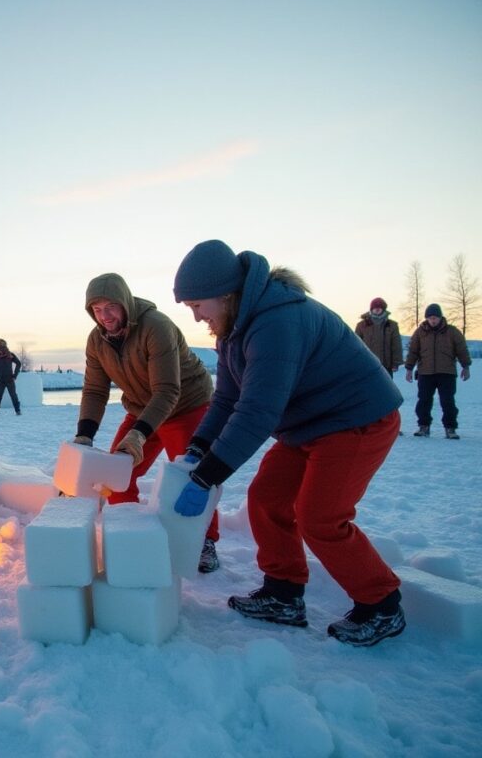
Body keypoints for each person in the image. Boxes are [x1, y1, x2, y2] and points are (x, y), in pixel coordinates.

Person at [172, 239, 405, 647]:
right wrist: (198, 447)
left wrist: (207, 475)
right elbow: (227, 398)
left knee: (320, 517)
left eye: (197, 306)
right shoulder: (232, 332)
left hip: (356, 418)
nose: (196, 318)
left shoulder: (277, 322)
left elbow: (257, 411)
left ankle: (382, 605)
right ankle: (283, 593)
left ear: (225, 295)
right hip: (309, 425)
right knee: (265, 498)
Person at [75, 273, 221, 573]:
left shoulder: (156, 326)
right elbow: (94, 390)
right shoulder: (96, 341)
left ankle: (204, 541)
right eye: (97, 310)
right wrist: (84, 436)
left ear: (125, 303)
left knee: (190, 478)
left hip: (187, 405)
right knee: (116, 477)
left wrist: (139, 435)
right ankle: (127, 534)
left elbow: (168, 390)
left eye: (111, 307)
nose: (105, 316)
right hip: (143, 408)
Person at [404, 303, 471, 439]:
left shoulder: (452, 332)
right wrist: (409, 368)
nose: (433, 320)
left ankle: (450, 428)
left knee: (447, 401)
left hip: (446, 373)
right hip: (425, 373)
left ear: (440, 317)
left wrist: (466, 366)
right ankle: (424, 427)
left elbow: (462, 350)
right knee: (424, 401)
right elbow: (413, 351)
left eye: (435, 317)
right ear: (427, 319)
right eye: (430, 318)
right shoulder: (420, 332)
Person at [355, 297, 403, 377]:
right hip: (367, 365)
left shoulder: (392, 325)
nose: (377, 309)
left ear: (383, 309)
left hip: (386, 366)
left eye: (379, 308)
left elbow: (396, 345)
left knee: (385, 389)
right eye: (375, 308)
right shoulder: (361, 325)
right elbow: (356, 345)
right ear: (371, 309)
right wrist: (356, 362)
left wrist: (396, 363)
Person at [0, 338, 22, 415]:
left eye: (3, 345)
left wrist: (15, 375)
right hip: (0, 379)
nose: (2, 346)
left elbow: (18, 363)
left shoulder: (10, 355)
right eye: (0, 345)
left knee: (13, 395)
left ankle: (18, 410)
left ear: (5, 345)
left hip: (9, 379)